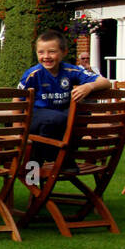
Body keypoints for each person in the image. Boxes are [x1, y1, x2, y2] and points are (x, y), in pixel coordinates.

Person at [17, 30, 111, 162]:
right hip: (36, 117)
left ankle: (63, 156)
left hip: (60, 119)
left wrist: (89, 86)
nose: (46, 56)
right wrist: (16, 132)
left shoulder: (70, 70)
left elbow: (105, 82)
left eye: (52, 51)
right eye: (41, 52)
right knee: (56, 118)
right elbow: (18, 98)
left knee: (81, 115)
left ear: (64, 52)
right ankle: (56, 157)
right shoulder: (33, 74)